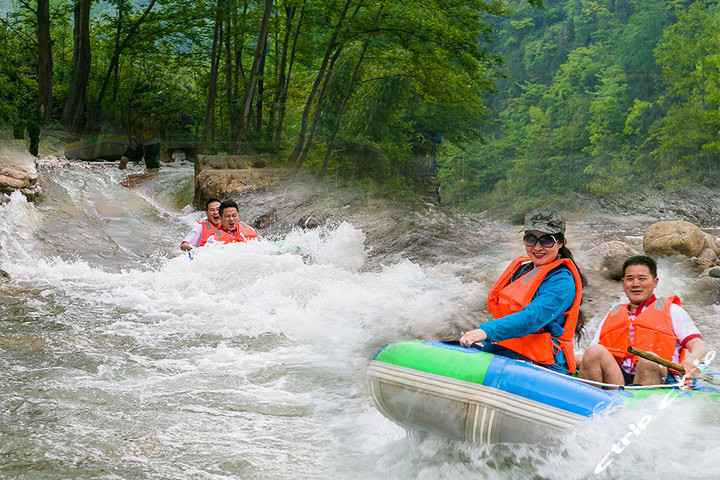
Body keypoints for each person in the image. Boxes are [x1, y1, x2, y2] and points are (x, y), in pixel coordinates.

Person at [459, 209, 586, 375]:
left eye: (547, 241)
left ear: (560, 243)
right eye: (531, 239)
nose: (538, 247)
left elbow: (532, 317)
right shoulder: (522, 269)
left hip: (543, 363)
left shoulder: (562, 282)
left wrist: (486, 331)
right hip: (506, 348)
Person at [579, 255, 708, 388]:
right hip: (618, 378)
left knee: (648, 360)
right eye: (630, 279)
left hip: (660, 378)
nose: (635, 284)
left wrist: (693, 359)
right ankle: (591, 401)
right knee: (594, 351)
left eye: (642, 279)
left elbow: (698, 344)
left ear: (655, 282)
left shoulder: (673, 311)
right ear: (623, 283)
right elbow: (589, 356)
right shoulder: (612, 314)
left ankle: (640, 405)